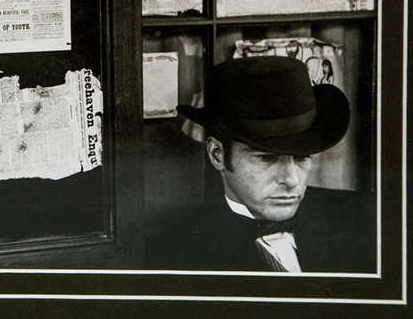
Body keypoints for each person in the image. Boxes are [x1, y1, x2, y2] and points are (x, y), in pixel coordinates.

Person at [145, 56, 374, 273]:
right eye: (266, 158)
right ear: (217, 154)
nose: (291, 180)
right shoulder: (176, 254)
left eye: (302, 157)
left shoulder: (366, 220)